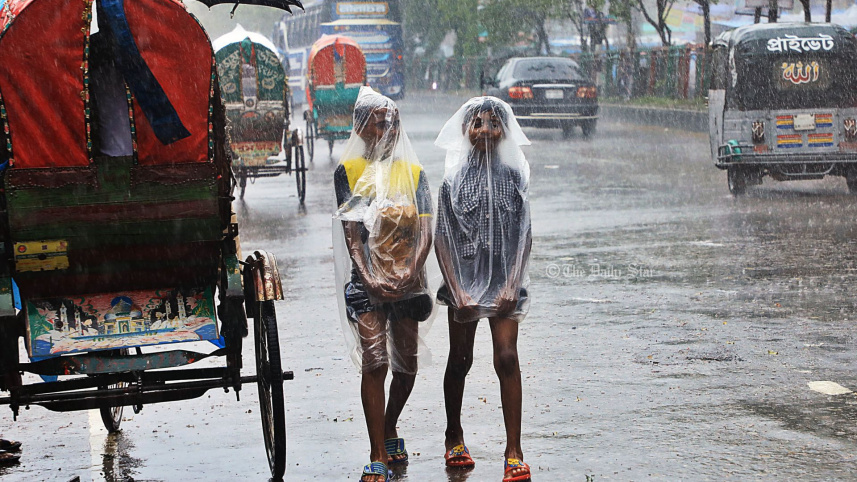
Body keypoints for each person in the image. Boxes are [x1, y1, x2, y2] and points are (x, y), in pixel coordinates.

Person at [332, 87, 434, 482]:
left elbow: (426, 227)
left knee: (405, 367)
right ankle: (377, 451)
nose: (388, 127)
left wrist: (413, 268)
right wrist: (370, 274)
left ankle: (389, 424)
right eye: (380, 120)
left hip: (408, 281)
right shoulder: (349, 171)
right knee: (375, 362)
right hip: (367, 281)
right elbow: (353, 233)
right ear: (362, 126)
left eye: (393, 120)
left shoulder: (414, 172)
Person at [434, 97, 532, 481]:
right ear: (465, 130)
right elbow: (442, 237)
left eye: (495, 123)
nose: (487, 130)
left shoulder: (514, 178)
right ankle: (453, 434)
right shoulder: (452, 182)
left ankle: (514, 450)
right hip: (466, 286)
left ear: (505, 131)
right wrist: (458, 291)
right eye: (479, 123)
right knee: (460, 359)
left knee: (507, 358)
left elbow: (525, 235)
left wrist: (512, 283)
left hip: (506, 286)